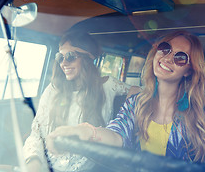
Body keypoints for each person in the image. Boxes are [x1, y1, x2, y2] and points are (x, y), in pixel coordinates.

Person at [46, 30, 205, 171]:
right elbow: (116, 136)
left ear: (188, 70)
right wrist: (88, 132)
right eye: (165, 49)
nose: (167, 58)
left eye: (180, 57)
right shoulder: (137, 104)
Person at [23, 30, 139, 172]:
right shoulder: (53, 89)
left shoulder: (108, 86)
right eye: (60, 57)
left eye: (70, 56)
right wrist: (32, 162)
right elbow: (36, 134)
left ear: (87, 59)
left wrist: (133, 96)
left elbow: (145, 91)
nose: (64, 63)